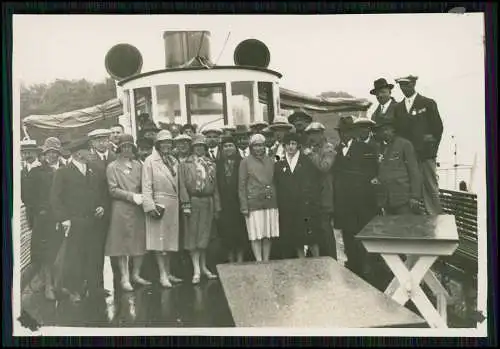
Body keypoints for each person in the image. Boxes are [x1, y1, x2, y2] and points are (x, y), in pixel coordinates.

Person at [50, 137, 108, 302]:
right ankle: (75, 290)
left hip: (95, 221)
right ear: (77, 154)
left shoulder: (95, 170)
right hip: (75, 222)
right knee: (75, 257)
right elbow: (55, 198)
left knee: (95, 255)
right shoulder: (63, 173)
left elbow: (103, 193)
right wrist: (64, 219)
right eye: (86, 151)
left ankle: (96, 287)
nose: (90, 153)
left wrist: (102, 206)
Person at [332, 116, 379, 280]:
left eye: (347, 131)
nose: (343, 135)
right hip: (344, 204)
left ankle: (366, 269)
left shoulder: (364, 149)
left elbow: (372, 172)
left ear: (352, 132)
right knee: (348, 236)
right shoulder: (336, 151)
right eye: (341, 132)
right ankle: (352, 268)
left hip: (361, 203)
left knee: (362, 236)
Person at [105, 134, 150, 292]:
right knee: (122, 244)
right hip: (121, 208)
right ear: (119, 148)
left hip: (138, 208)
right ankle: (124, 277)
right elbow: (112, 189)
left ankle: (136, 274)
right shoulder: (112, 167)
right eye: (123, 146)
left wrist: (145, 197)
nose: (126, 149)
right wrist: (131, 196)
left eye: (129, 146)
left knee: (139, 241)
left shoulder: (139, 165)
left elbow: (145, 184)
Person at [394, 75, 444, 215]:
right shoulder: (398, 108)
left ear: (414, 84)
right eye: (401, 85)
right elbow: (398, 133)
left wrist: (431, 149)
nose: (404, 88)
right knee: (410, 189)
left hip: (425, 156)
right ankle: (414, 222)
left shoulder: (428, 103)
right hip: (408, 158)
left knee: (430, 187)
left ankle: (435, 220)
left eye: (407, 85)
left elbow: (437, 128)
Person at [142, 130, 185, 288]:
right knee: (159, 242)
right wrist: (150, 205)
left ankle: (168, 272)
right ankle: (162, 274)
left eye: (169, 142)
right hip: (158, 203)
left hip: (173, 204)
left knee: (170, 241)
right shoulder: (150, 161)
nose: (166, 145)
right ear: (158, 145)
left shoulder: (174, 161)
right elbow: (146, 185)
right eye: (163, 142)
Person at [24, 137, 66, 300]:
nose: (52, 156)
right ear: (44, 153)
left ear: (59, 153)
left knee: (61, 252)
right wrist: (40, 210)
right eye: (49, 152)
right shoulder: (36, 172)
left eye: (55, 152)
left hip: (63, 217)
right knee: (46, 253)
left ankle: (59, 284)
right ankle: (48, 285)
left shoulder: (66, 169)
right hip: (45, 218)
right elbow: (29, 196)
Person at [179, 135, 221, 284]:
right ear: (193, 148)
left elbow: (215, 187)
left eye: (202, 146)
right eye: (197, 146)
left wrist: (217, 206)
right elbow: (182, 186)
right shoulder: (185, 164)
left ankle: (204, 267)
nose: (199, 149)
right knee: (193, 236)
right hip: (193, 200)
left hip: (207, 201)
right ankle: (196, 269)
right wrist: (186, 204)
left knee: (205, 235)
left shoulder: (211, 163)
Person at [274, 132, 321, 259]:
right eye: (288, 144)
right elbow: (278, 184)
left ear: (298, 146)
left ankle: (317, 262)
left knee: (311, 237)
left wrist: (310, 200)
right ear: (284, 146)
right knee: (296, 238)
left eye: (293, 144)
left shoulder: (306, 161)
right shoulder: (280, 163)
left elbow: (313, 182)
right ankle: (301, 262)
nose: (290, 147)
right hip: (288, 206)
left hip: (305, 204)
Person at [238, 134, 279, 262]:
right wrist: (244, 205)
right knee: (256, 234)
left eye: (261, 145)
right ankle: (258, 260)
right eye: (255, 145)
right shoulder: (245, 162)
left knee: (267, 233)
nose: (258, 148)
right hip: (254, 202)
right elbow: (241, 185)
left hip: (270, 201)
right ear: (251, 147)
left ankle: (266, 260)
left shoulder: (270, 160)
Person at [87, 128, 117, 295]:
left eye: (104, 139)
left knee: (117, 247)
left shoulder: (115, 157)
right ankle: (96, 286)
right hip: (98, 212)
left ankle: (120, 282)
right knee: (96, 250)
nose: (102, 142)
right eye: (98, 140)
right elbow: (88, 189)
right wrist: (96, 206)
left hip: (117, 209)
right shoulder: (89, 161)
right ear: (92, 143)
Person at [302, 122, 337, 260]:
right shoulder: (312, 149)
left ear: (322, 134)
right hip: (313, 196)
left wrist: (311, 155)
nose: (313, 137)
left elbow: (324, 167)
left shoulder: (328, 149)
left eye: (316, 134)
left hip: (325, 195)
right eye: (311, 134)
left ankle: (331, 258)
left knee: (325, 229)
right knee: (315, 229)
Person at [216, 135, 248, 263]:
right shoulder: (217, 165)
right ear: (222, 149)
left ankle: (240, 260)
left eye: (230, 145)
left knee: (240, 233)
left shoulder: (243, 162)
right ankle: (230, 260)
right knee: (226, 233)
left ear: (235, 148)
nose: (228, 148)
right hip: (224, 204)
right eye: (225, 146)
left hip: (239, 203)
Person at [21, 139, 42, 229]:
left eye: (29, 152)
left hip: (42, 209)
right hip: (29, 208)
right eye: (25, 153)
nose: (27, 155)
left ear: (36, 153)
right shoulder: (23, 171)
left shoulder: (43, 168)